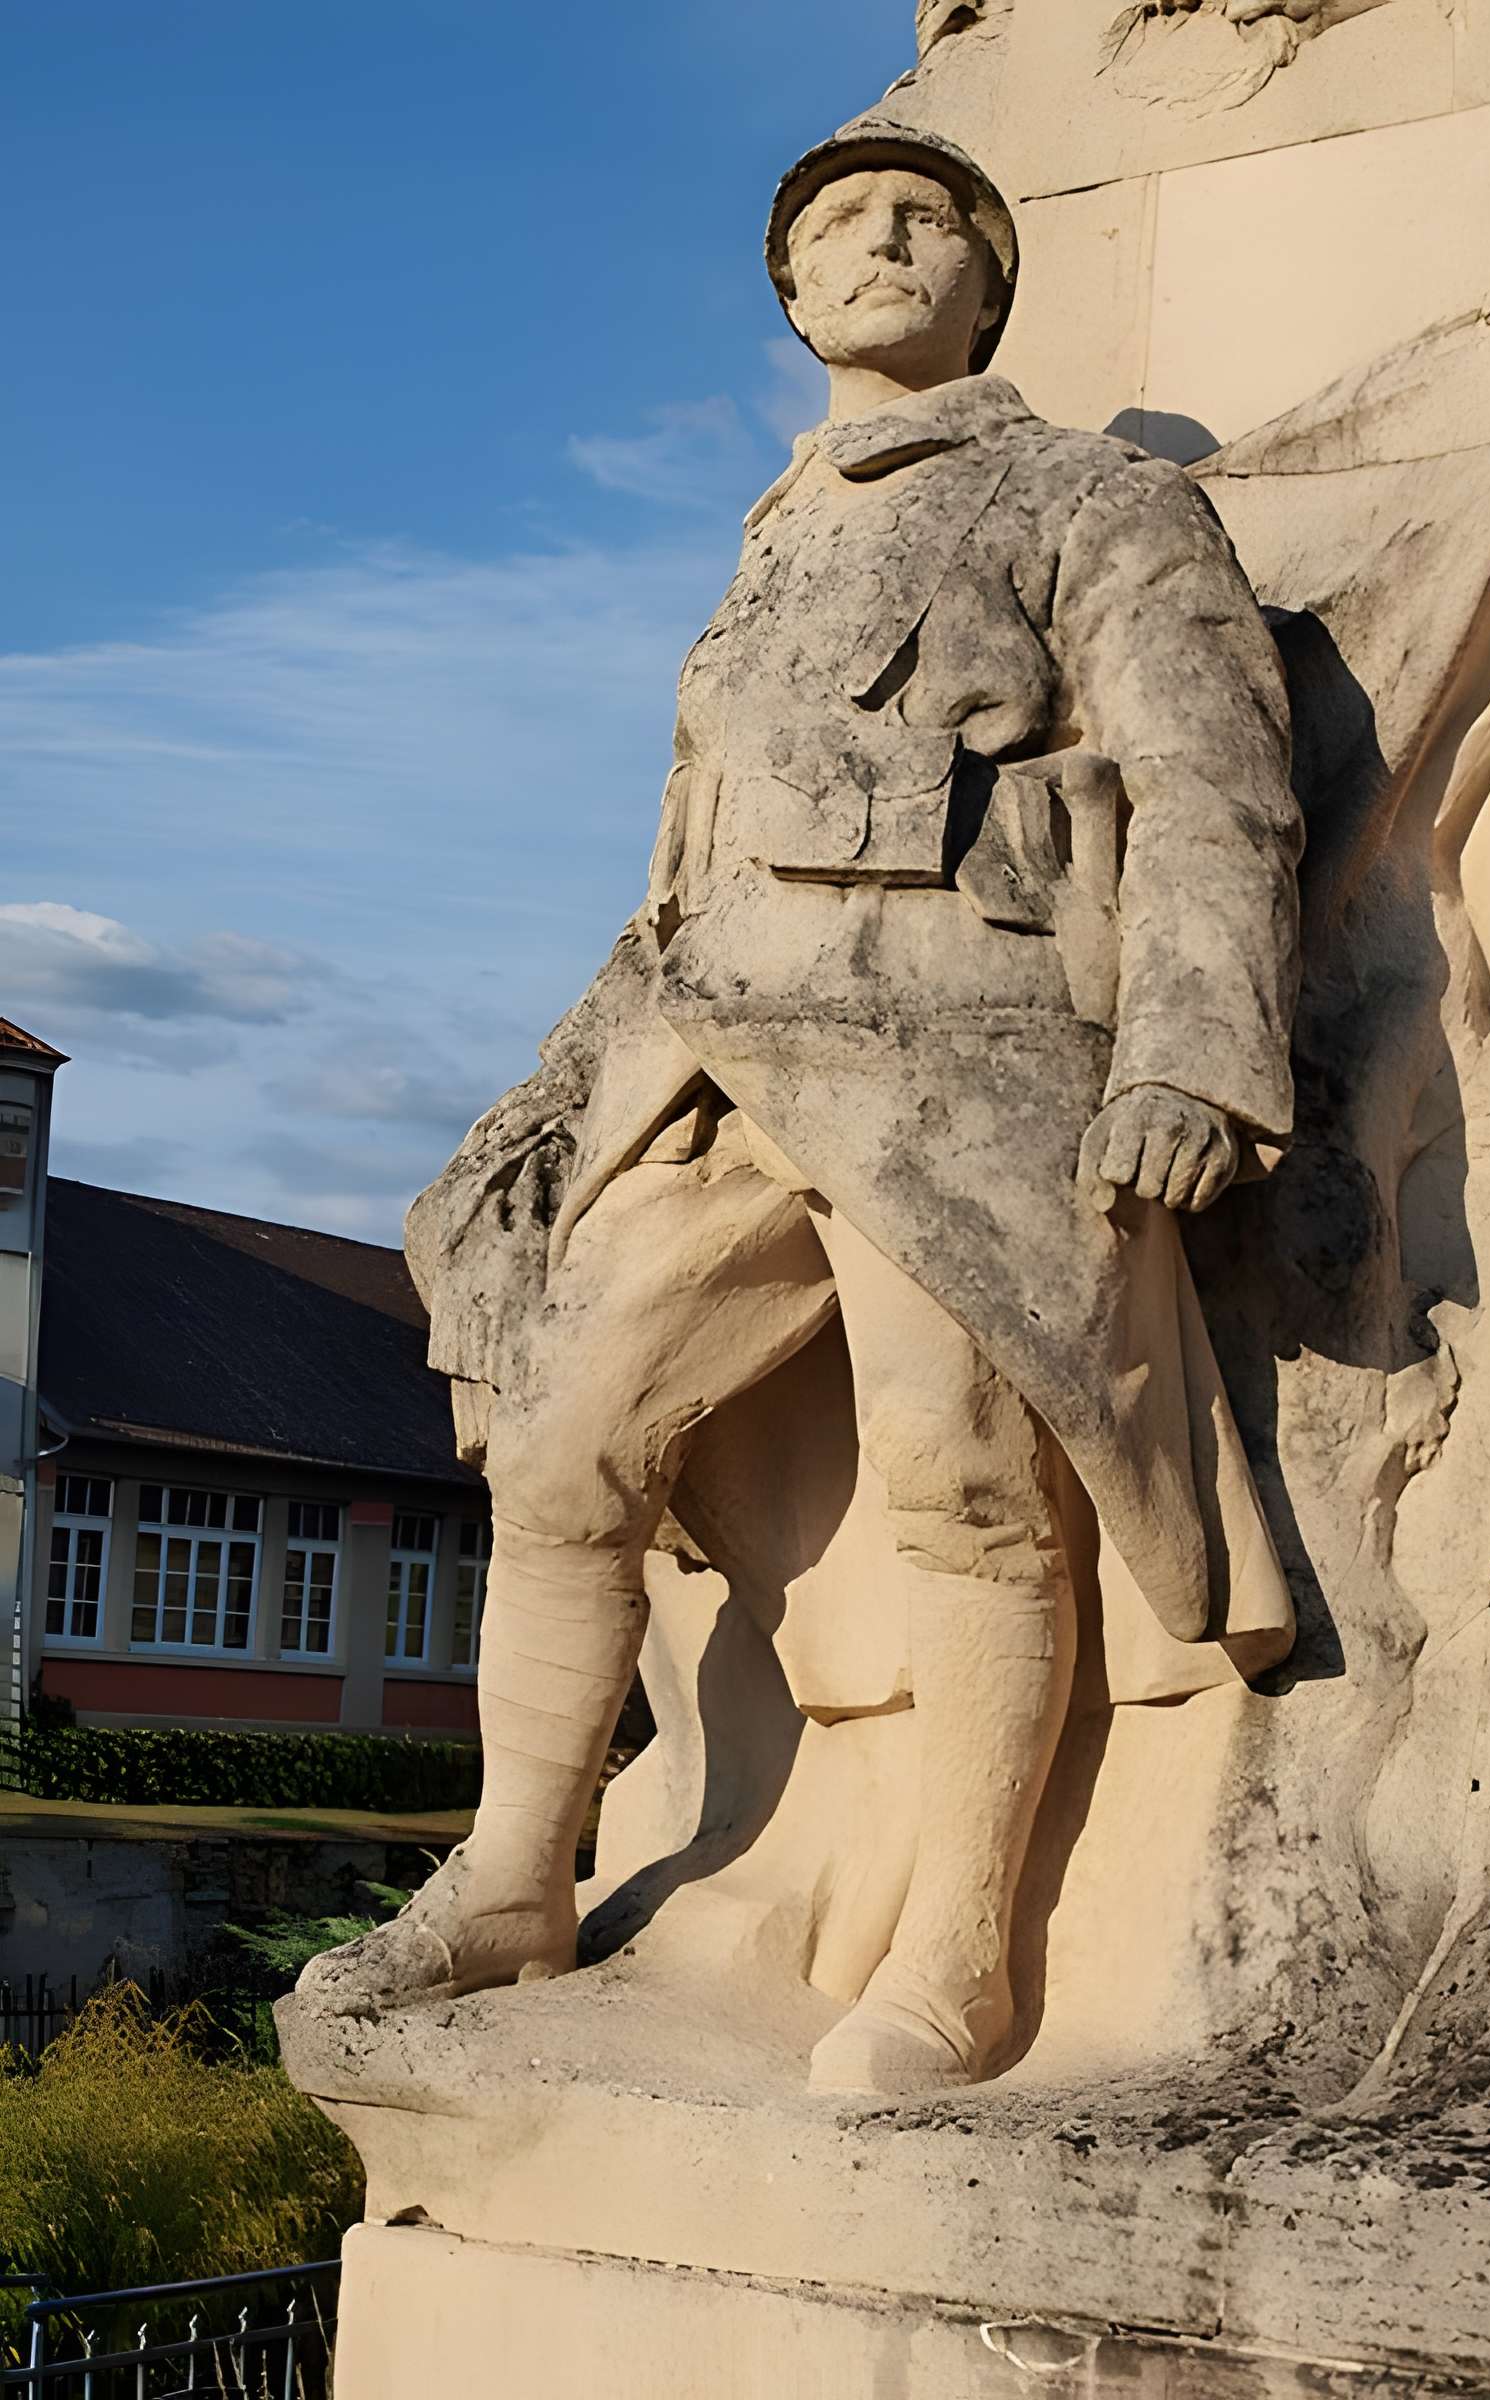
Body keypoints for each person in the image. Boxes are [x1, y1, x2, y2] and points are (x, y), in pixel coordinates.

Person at [301, 117, 1302, 2095]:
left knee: (966, 1483)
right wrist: (558, 1093)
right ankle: (513, 1879)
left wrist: (1192, 1052)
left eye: (927, 219)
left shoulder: (1092, 496)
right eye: (841, 222)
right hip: (711, 1055)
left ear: (989, 285)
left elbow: (1212, 775)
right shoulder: (769, 537)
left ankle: (957, 1959)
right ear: (788, 290)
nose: (881, 242)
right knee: (563, 1440)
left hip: (965, 1056)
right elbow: (685, 862)